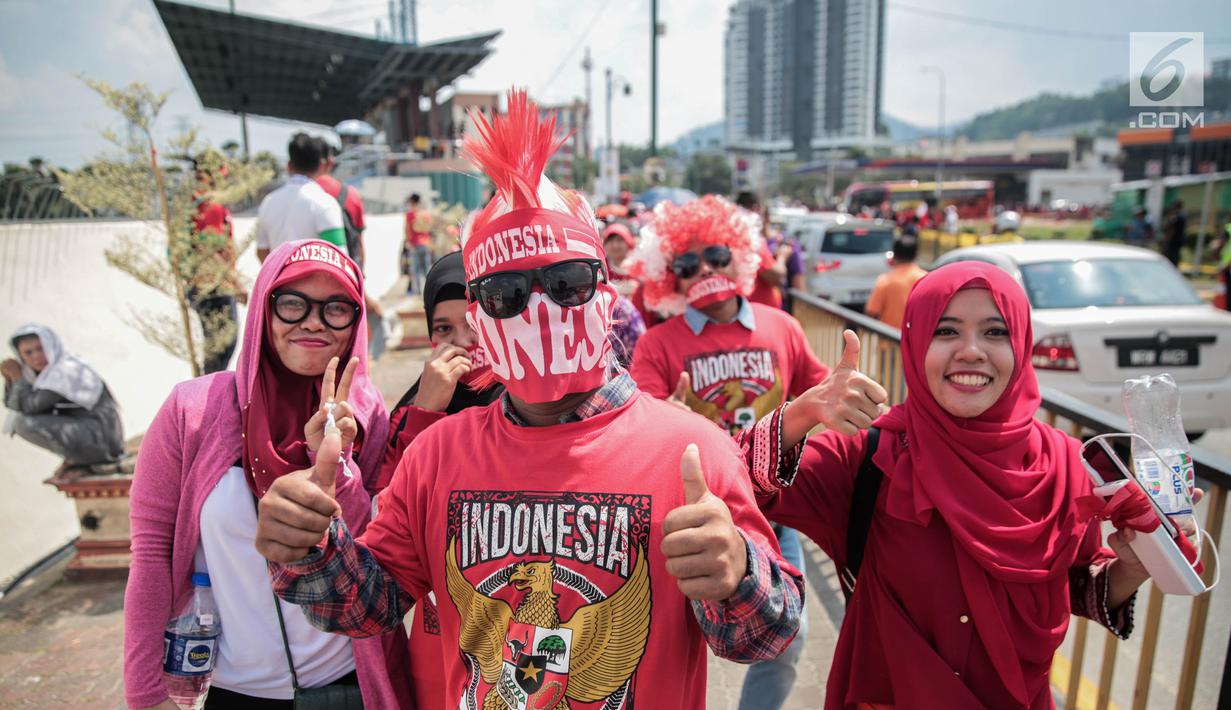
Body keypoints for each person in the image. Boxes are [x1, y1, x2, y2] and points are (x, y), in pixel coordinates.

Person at [254, 90, 804, 710]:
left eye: (566, 283)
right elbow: (367, 606)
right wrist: (307, 547)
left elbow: (768, 636)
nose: (539, 310)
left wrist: (736, 577)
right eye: (506, 293)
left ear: (605, 296)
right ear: (479, 319)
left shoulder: (693, 451)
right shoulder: (436, 455)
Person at [739, 262, 1155, 709]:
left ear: (1022, 344)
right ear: (916, 344)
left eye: (996, 332)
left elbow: (1076, 589)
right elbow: (732, 483)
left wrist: (1134, 566)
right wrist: (802, 413)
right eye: (946, 331)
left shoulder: (1066, 466)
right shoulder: (866, 457)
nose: (972, 351)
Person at [123, 240, 409, 709]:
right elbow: (152, 552)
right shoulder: (191, 412)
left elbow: (372, 550)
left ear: (355, 324)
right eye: (293, 303)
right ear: (262, 311)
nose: (314, 321)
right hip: (235, 688)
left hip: (346, 684)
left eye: (336, 308)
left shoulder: (365, 410)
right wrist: (145, 694)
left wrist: (339, 462)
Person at [625, 194, 837, 710]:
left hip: (770, 517)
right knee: (662, 650)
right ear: (666, 276)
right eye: (685, 263)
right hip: (686, 521)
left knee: (790, 638)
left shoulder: (781, 326)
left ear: (739, 257)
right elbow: (637, 425)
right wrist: (664, 415)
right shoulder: (656, 345)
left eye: (716, 256)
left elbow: (820, 392)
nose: (703, 270)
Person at [375, 250, 504, 707]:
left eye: (474, 324)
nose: (462, 343)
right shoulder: (412, 411)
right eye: (443, 330)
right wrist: (426, 412)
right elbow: (390, 513)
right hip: (438, 642)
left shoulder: (533, 408)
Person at [3, 324, 124, 470]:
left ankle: (88, 459)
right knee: (23, 420)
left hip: (102, 439)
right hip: (90, 433)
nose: (36, 356)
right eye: (28, 353)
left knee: (23, 424)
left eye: (41, 349)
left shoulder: (65, 371)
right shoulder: (42, 376)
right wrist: (10, 379)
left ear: (51, 345)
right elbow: (13, 404)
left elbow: (31, 405)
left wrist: (17, 377)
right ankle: (79, 458)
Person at [316, 140, 388, 360]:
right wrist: (361, 287)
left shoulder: (287, 199)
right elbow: (358, 245)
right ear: (329, 162)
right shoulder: (348, 195)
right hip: (343, 289)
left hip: (301, 296)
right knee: (352, 356)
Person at [188, 154, 246, 374]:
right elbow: (209, 250)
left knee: (219, 349)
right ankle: (209, 401)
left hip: (207, 285)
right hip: (214, 287)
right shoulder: (210, 205)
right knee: (222, 346)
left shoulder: (196, 202)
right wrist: (236, 284)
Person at [255, 133, 346, 262]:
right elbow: (339, 258)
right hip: (315, 281)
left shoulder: (268, 202)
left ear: (289, 165)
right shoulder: (325, 203)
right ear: (321, 165)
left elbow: (262, 251)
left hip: (277, 280)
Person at [865, 233, 927, 330]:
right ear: (915, 255)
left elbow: (872, 311)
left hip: (890, 340)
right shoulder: (926, 279)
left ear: (894, 255)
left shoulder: (885, 280)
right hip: (917, 341)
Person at [403, 193, 433, 295]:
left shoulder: (410, 214)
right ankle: (429, 290)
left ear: (412, 202)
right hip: (426, 243)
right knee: (426, 269)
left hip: (414, 244)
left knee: (415, 270)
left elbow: (407, 230)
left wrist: (408, 242)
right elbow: (429, 229)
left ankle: (417, 293)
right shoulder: (426, 214)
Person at [1162, 200, 1187, 266]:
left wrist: (1167, 239)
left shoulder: (1176, 216)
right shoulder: (1182, 216)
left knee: (1170, 259)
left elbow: (1172, 229)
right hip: (1177, 241)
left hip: (1173, 242)